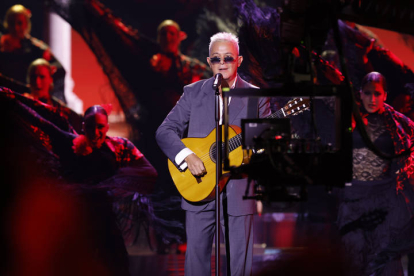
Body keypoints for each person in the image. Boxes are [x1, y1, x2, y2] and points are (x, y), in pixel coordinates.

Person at [156, 32, 271, 275]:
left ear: (239, 61)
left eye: (228, 58)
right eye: (216, 59)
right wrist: (186, 155)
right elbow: (165, 131)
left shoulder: (256, 98)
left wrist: (258, 149)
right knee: (196, 263)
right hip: (198, 187)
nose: (222, 63)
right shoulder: (193, 93)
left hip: (239, 191)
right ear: (209, 63)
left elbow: (262, 149)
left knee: (239, 265)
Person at [337, 72, 414, 275]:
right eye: (368, 93)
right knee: (354, 259)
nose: (373, 99)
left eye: (377, 94)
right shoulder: (347, 119)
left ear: (385, 95)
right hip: (354, 199)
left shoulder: (399, 126)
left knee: (387, 261)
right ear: (360, 94)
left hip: (386, 200)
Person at [0, 4, 66, 101]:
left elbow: (59, 69)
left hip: (26, 98)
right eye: (12, 23)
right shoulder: (1, 45)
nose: (16, 27)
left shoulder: (35, 48)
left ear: (26, 24)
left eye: (19, 23)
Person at [24, 58, 82, 133]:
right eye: (33, 77)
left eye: (42, 77)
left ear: (50, 79)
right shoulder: (22, 103)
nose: (37, 82)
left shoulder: (61, 110)